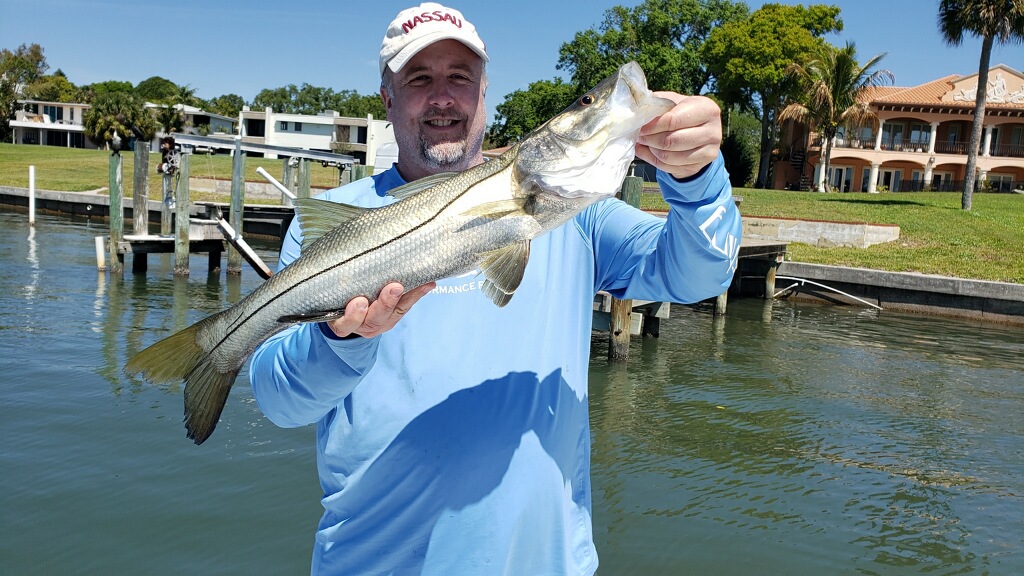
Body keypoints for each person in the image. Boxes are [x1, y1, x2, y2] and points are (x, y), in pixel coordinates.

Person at [250, 3, 742, 574]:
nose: (443, 97)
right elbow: (278, 401)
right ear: (387, 97)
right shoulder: (335, 225)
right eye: (419, 79)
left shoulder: (581, 217)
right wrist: (339, 339)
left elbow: (701, 274)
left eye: (460, 77)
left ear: (485, 93)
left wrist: (697, 177)